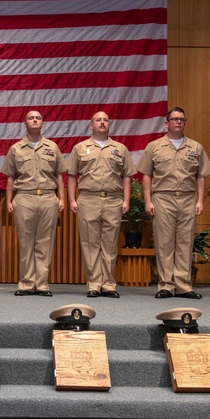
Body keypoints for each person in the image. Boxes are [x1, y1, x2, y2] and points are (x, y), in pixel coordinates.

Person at [138, 107, 210, 299]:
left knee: (185, 242)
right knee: (164, 243)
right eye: (175, 119)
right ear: (167, 123)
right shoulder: (154, 146)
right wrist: (148, 201)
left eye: (182, 119)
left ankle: (183, 285)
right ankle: (165, 285)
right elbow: (146, 175)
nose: (179, 122)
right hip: (163, 197)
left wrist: (200, 200)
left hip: (187, 198)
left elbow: (201, 176)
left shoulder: (195, 147)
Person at [67, 111, 134, 298]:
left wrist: (126, 200)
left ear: (109, 124)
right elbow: (71, 175)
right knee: (90, 243)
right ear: (91, 125)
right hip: (88, 198)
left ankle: (109, 284)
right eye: (98, 120)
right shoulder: (80, 148)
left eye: (105, 120)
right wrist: (72, 199)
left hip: (113, 199)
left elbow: (127, 176)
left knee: (110, 243)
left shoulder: (120, 148)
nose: (102, 123)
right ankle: (94, 284)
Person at [2, 110, 65, 297]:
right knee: (25, 242)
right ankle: (27, 283)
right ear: (25, 123)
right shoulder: (16, 148)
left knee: (45, 242)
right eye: (31, 118)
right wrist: (9, 200)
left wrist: (61, 198)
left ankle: (42, 283)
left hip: (47, 197)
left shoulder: (52, 147)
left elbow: (60, 175)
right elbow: (10, 178)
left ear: (42, 123)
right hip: (24, 197)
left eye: (38, 118)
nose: (35, 120)